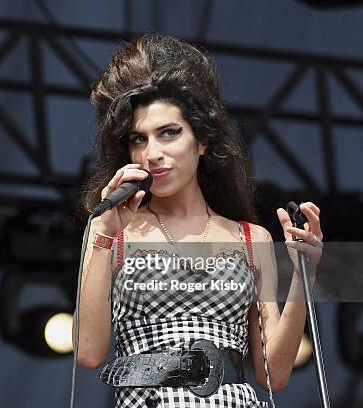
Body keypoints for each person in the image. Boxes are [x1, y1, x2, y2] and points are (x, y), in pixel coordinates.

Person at [74, 33, 323, 408]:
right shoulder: (114, 230)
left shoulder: (249, 239)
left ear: (202, 140)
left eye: (169, 133)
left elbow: (275, 373)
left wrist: (305, 276)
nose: (152, 153)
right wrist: (103, 234)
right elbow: (89, 353)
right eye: (138, 140)